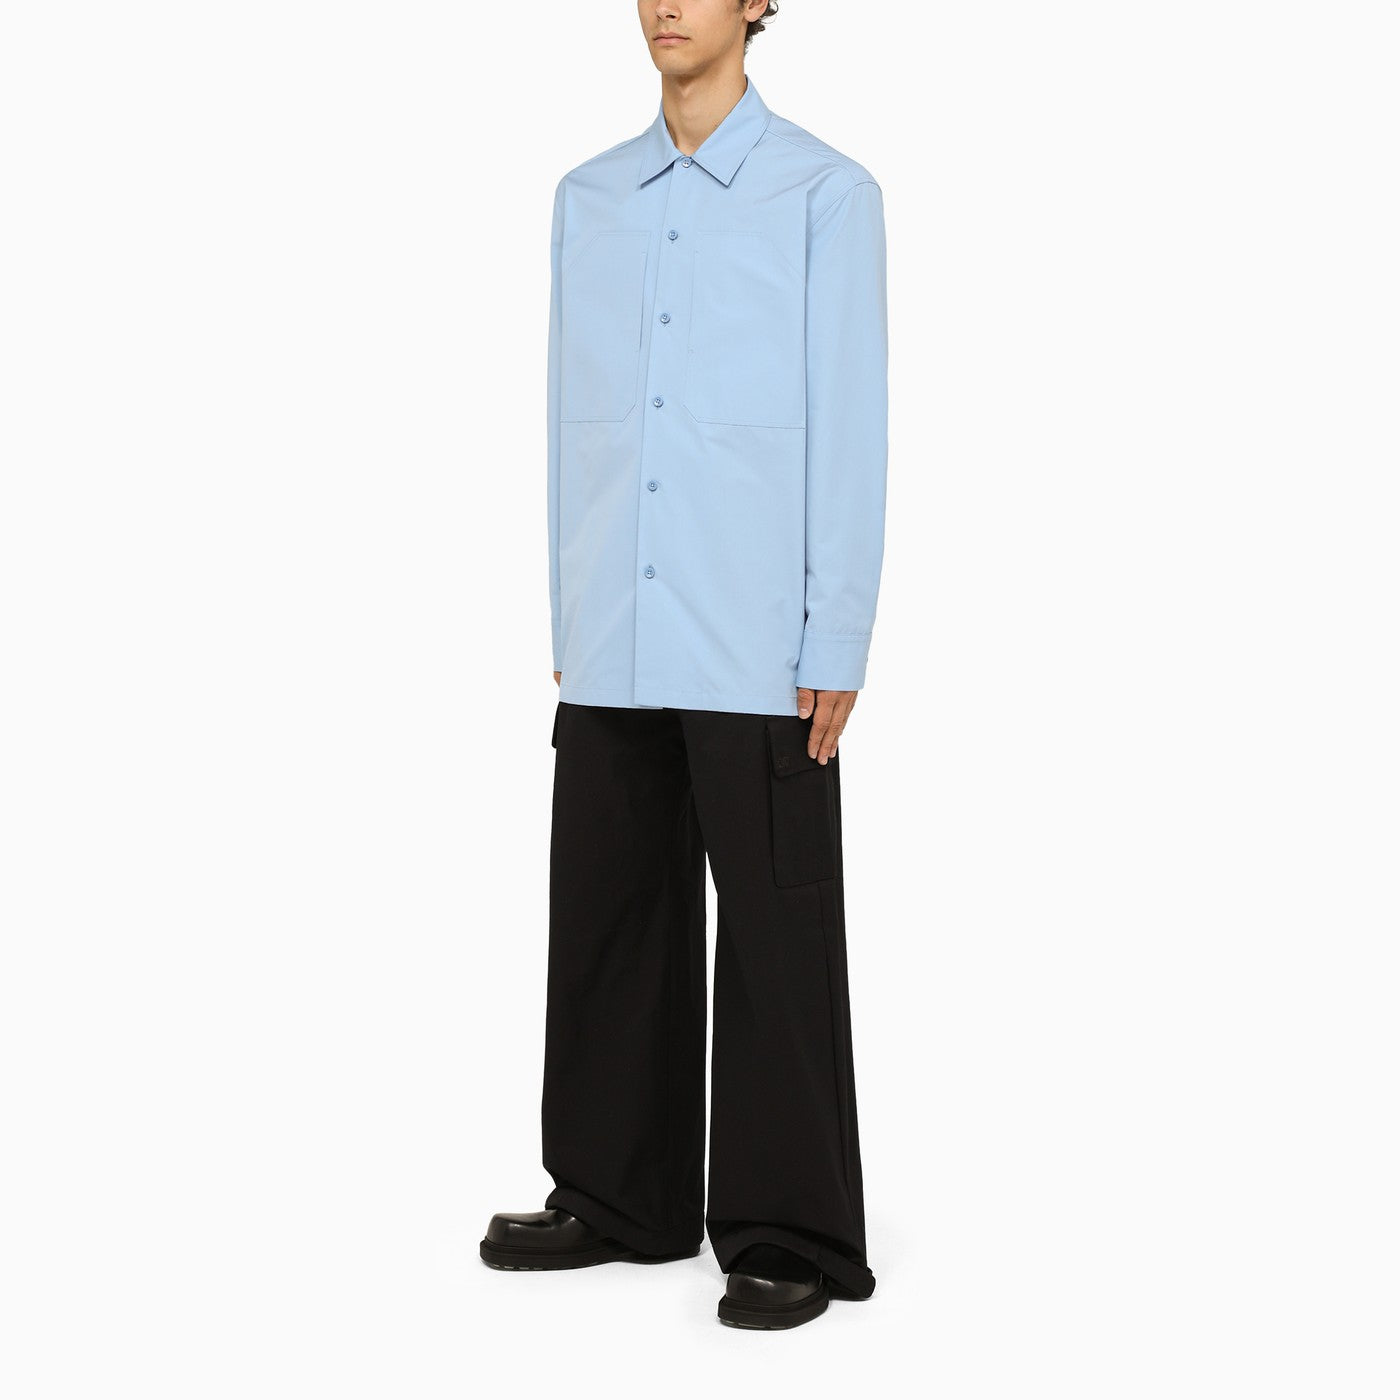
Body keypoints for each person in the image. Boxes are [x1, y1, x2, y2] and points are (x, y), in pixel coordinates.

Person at [480, 1, 888, 1331]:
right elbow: (569, 418)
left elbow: (850, 421)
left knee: (774, 937)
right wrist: (573, 604)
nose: (667, 4)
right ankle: (621, 1194)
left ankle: (787, 1228)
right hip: (616, 625)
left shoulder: (826, 196)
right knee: (609, 917)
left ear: (758, 4)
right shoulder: (587, 199)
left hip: (757, 636)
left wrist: (837, 630)